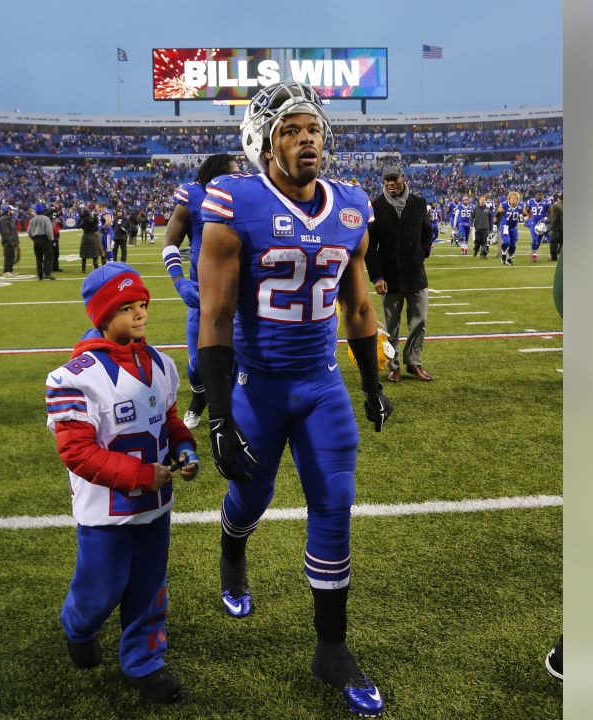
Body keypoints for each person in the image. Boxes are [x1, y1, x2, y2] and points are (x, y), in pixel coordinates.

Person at [197, 80, 391, 718]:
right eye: (290, 130)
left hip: (320, 382)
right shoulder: (235, 203)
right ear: (263, 142)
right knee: (252, 494)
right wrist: (220, 414)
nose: (306, 138)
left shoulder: (351, 206)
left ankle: (330, 647)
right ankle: (232, 551)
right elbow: (217, 318)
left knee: (335, 499)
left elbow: (359, 305)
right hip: (258, 383)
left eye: (312, 128)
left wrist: (369, 383)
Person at [45, 262, 201, 705]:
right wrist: (139, 475)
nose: (140, 314)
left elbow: (169, 421)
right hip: (105, 511)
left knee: (150, 585)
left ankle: (144, 662)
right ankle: (79, 625)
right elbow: (77, 452)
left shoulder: (162, 364)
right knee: (101, 587)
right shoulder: (73, 377)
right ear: (102, 314)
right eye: (127, 307)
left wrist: (184, 449)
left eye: (142, 305)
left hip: (154, 505)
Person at [162, 153, 240, 430]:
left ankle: (232, 412)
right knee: (198, 364)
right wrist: (179, 281)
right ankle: (198, 400)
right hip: (203, 292)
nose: (238, 177)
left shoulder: (245, 196)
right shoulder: (193, 194)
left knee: (238, 360)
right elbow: (170, 241)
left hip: (239, 293)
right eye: (232, 172)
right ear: (215, 173)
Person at [367, 165, 435, 383]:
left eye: (394, 179)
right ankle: (393, 365)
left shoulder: (419, 203)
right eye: (387, 180)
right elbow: (370, 247)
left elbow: (427, 232)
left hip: (415, 272)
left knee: (419, 321)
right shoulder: (375, 206)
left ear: (403, 178)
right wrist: (377, 276)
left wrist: (422, 252)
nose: (391, 183)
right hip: (389, 275)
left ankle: (414, 362)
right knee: (390, 326)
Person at [28, 203, 56, 281]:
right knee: (49, 257)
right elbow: (49, 231)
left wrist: (34, 239)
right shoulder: (46, 219)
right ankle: (47, 273)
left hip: (36, 240)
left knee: (38, 258)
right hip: (45, 239)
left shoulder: (32, 220)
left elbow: (29, 232)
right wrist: (51, 239)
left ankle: (40, 275)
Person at [500, 190, 526, 265]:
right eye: (512, 198)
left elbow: (526, 215)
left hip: (514, 227)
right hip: (505, 226)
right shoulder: (504, 204)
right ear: (509, 199)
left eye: (515, 198)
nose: (513, 199)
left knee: (513, 244)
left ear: (518, 199)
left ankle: (508, 258)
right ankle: (503, 252)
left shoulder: (521, 205)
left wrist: (524, 217)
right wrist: (495, 224)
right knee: (506, 241)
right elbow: (497, 213)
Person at [526, 190, 552, 262]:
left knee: (539, 241)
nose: (540, 196)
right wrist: (526, 217)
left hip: (542, 223)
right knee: (534, 239)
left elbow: (550, 212)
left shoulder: (546, 202)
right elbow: (526, 211)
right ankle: (534, 255)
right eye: (538, 195)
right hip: (533, 223)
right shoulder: (531, 202)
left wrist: (548, 218)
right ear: (535, 195)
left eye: (541, 195)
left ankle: (533, 250)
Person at [78, 204, 102, 273]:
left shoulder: (84, 221)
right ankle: (96, 268)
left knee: (84, 255)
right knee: (95, 254)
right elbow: (96, 228)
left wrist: (80, 218)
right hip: (92, 237)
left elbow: (77, 226)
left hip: (85, 237)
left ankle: (83, 270)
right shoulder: (93, 220)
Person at [0, 205, 19, 277]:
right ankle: (6, 271)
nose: (13, 211)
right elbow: (5, 232)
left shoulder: (9, 219)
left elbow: (13, 231)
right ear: (8, 211)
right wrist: (10, 241)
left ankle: (10, 270)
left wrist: (16, 241)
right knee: (8, 256)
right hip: (8, 242)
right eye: (12, 210)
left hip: (11, 241)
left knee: (12, 256)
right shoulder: (4, 219)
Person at [473, 194, 492, 259]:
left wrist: (491, 229)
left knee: (484, 242)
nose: (482, 201)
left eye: (484, 200)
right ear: (479, 201)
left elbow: (490, 220)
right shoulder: (475, 209)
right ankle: (476, 250)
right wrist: (471, 224)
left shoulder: (488, 209)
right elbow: (471, 217)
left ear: (485, 201)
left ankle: (484, 254)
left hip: (485, 228)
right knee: (477, 241)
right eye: (481, 200)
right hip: (478, 228)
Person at [546, 192, 563, 261]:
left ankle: (555, 255)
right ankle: (556, 256)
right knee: (558, 242)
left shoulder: (557, 205)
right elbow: (554, 217)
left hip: (560, 227)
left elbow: (554, 217)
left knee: (557, 243)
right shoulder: (558, 205)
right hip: (559, 227)